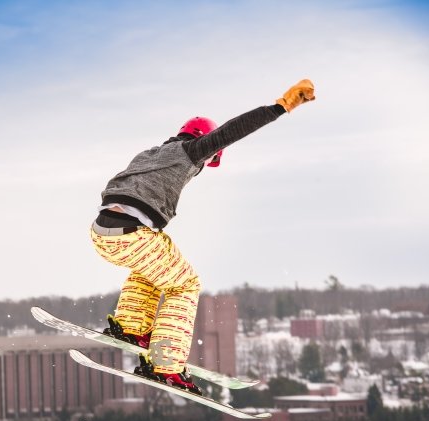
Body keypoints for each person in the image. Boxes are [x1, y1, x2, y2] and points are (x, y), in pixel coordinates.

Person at [92, 79, 316, 394]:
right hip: (131, 231)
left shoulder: (151, 154)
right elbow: (231, 131)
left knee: (156, 268)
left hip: (103, 232)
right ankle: (165, 365)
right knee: (185, 284)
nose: (203, 167)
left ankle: (129, 328)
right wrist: (281, 106)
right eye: (209, 160)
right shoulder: (189, 152)